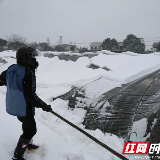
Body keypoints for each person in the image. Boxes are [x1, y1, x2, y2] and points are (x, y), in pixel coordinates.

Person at [0, 47, 52, 160]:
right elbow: (30, 96)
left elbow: (1, 79)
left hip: (14, 105)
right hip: (24, 107)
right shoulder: (28, 73)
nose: (34, 59)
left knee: (26, 125)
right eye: (32, 56)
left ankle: (27, 144)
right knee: (31, 130)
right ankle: (17, 156)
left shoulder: (11, 68)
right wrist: (44, 105)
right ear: (26, 58)